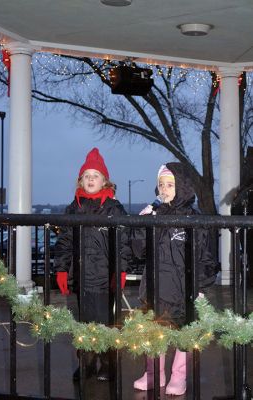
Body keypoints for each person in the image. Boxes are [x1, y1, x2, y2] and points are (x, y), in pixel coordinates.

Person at [133, 162, 219, 395]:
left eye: (170, 184)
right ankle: (154, 373)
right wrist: (141, 225)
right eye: (161, 184)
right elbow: (139, 251)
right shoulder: (155, 214)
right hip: (155, 287)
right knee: (154, 332)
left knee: (183, 333)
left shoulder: (193, 219)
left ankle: (178, 376)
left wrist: (200, 286)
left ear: (182, 187)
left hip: (183, 289)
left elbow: (206, 258)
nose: (164, 189)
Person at [54, 147, 129, 381]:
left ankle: (107, 363)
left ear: (104, 180)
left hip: (106, 279)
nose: (90, 179)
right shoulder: (73, 208)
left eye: (95, 176)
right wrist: (62, 270)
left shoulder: (114, 209)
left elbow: (123, 242)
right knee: (84, 323)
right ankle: (86, 363)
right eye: (86, 176)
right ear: (80, 181)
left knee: (107, 322)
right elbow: (65, 242)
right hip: (82, 278)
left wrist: (121, 270)